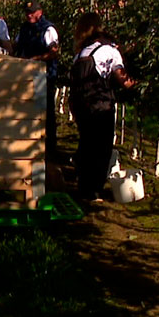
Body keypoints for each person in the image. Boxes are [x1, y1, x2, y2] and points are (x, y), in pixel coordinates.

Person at [68, 12, 137, 202]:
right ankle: (93, 191)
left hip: (81, 106)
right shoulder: (109, 51)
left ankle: (84, 187)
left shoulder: (82, 53)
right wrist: (137, 83)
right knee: (101, 149)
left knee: (87, 144)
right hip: (101, 106)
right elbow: (121, 78)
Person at [14, 1, 60, 155]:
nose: (29, 15)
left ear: (40, 12)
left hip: (44, 78)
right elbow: (17, 47)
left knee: (46, 115)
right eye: (27, 12)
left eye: (32, 12)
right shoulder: (24, 28)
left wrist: (37, 59)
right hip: (25, 78)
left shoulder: (48, 29)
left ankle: (50, 151)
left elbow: (54, 52)